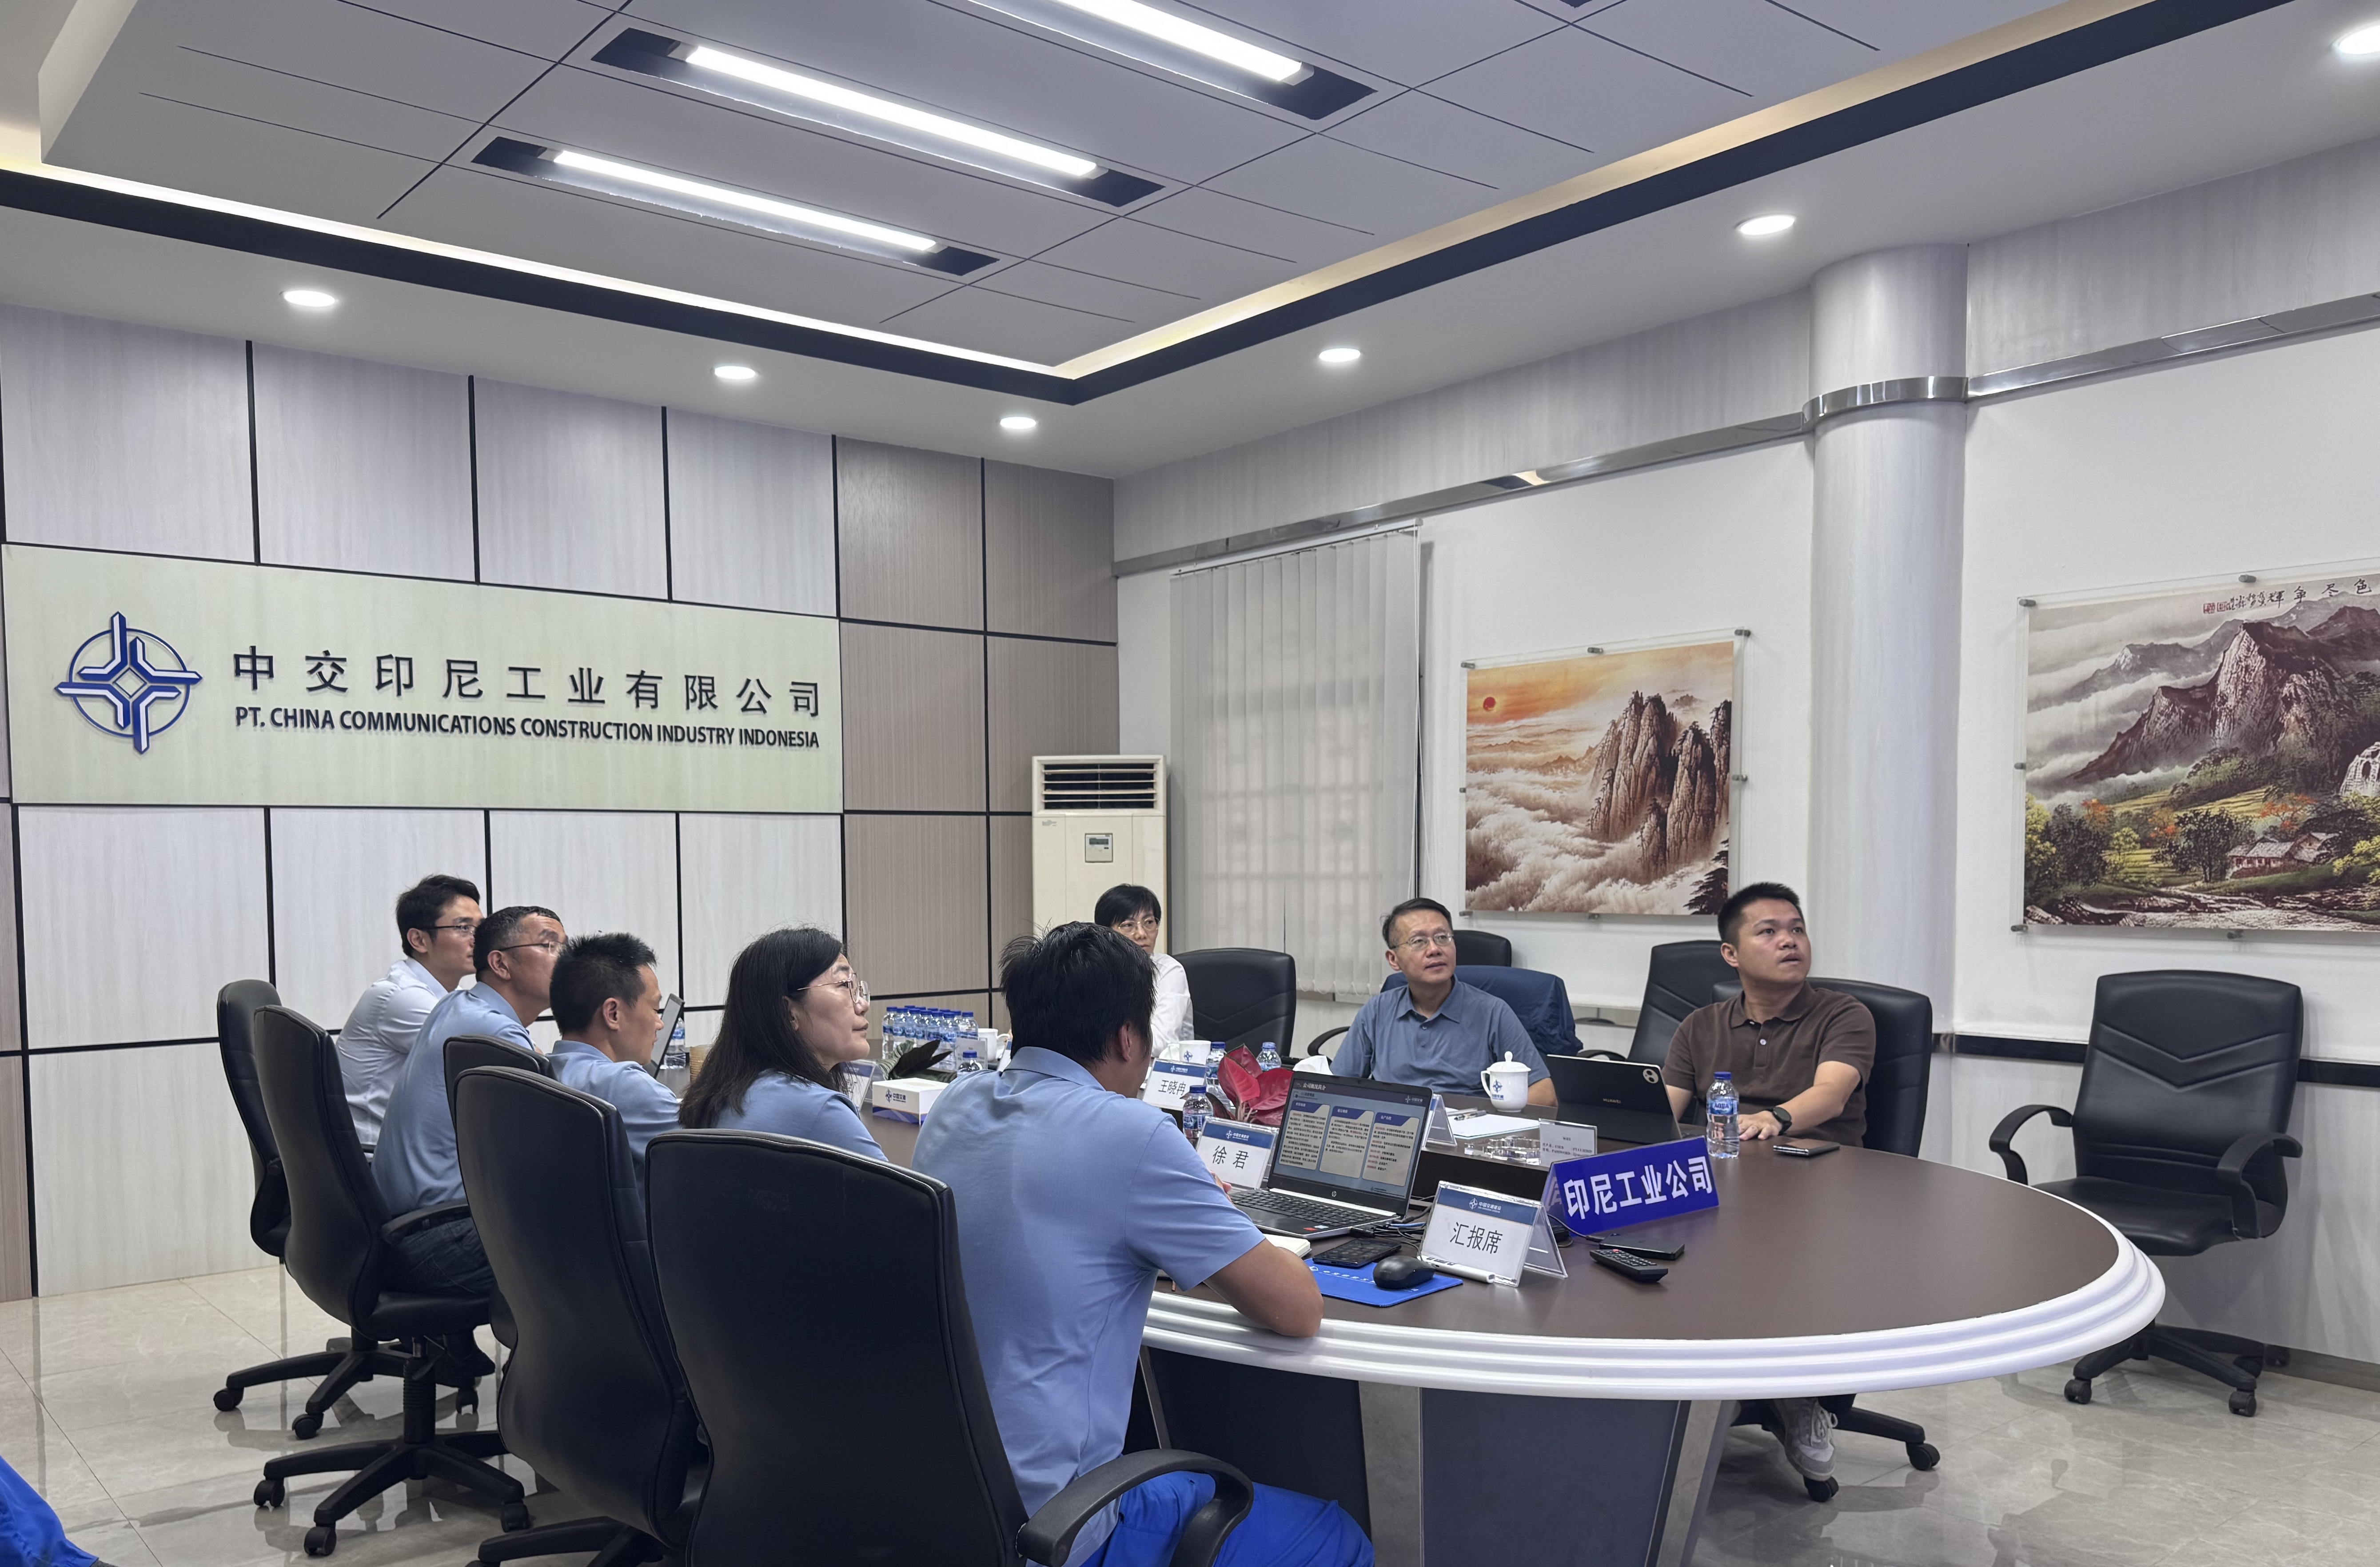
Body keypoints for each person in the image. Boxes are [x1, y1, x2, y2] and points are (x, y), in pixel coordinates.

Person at [916, 925, 1368, 1567]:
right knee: (1335, 1535)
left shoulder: (957, 1101)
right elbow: (1298, 1309)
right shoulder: (1133, 1131)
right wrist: (1203, 1209)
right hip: (1053, 1524)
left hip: (939, 1492)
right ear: (1128, 1037)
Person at [1662, 880, 1875, 1486]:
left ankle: (1799, 1396)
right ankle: (1680, 1386)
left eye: (1796, 929)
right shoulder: (1700, 1025)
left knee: (1776, 1256)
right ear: (1730, 953)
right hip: (1724, 1176)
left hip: (1817, 1178)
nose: (1789, 941)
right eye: (1769, 931)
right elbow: (1664, 1110)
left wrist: (1774, 1116)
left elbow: (1830, 1092)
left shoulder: (1843, 1014)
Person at [372, 904, 564, 1296]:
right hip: (437, 1237)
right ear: (500, 963)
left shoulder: (457, 1004)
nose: (565, 959)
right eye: (549, 945)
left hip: (401, 1225)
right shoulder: (495, 1033)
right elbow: (559, 1139)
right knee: (597, 1238)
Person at [678, 927, 884, 1161]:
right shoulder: (818, 1110)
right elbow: (900, 1186)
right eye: (844, 985)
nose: (862, 1005)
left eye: (857, 987)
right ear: (788, 1013)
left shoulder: (724, 1094)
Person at [1331, 897, 1553, 1105]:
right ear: (1394, 959)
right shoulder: (1377, 1011)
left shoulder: (1493, 1012)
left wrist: (1488, 1119)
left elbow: (1544, 1093)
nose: (1435, 950)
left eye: (1442, 938)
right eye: (1418, 941)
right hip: (1395, 1128)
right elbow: (1337, 1088)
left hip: (1467, 1128)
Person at [336, 874, 482, 1150]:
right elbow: (493, 1064)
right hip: (375, 1158)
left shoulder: (444, 994)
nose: (478, 939)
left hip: (405, 1146)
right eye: (464, 928)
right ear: (419, 940)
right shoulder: (404, 998)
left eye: (481, 928)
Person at [544, 932, 682, 1175]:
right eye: (655, 1009)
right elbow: (715, 1158)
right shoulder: (627, 1085)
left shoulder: (543, 1073)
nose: (660, 1024)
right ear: (613, 1014)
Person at [1096, 883, 1193, 1046]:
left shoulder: (1169, 971)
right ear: (1106, 933)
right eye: (1128, 925)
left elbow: (1162, 1041)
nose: (1142, 934)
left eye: (1149, 923)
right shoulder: (1097, 972)